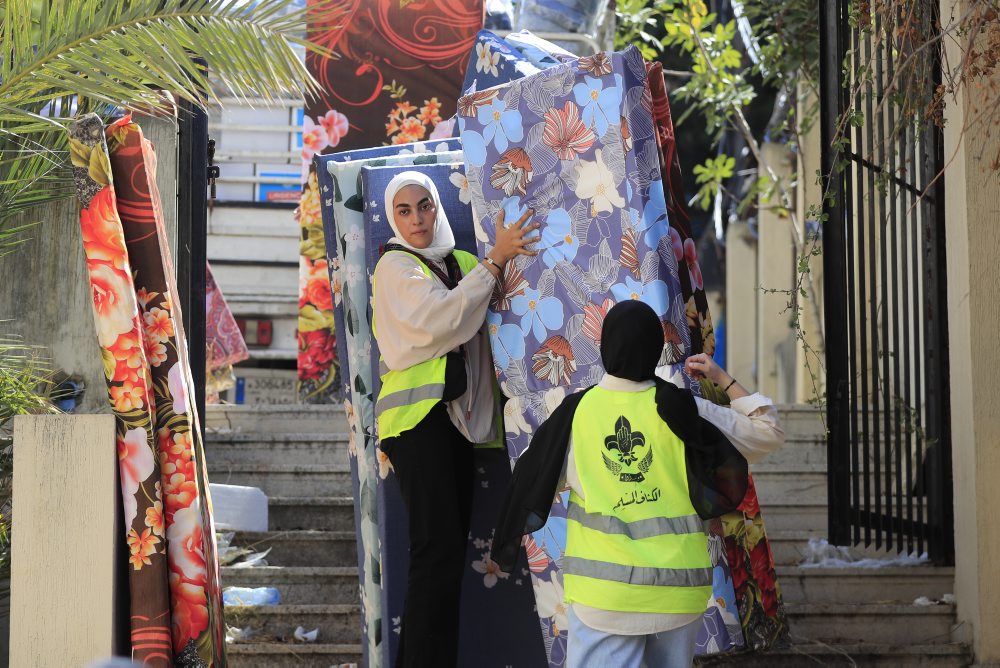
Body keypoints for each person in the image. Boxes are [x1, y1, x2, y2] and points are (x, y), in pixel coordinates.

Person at [493, 300, 785, 668]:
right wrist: (720, 378)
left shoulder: (577, 415)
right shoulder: (686, 410)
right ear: (654, 348)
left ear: (605, 348)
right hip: (679, 594)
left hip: (605, 597)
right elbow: (768, 432)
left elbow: (531, 486)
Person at [371, 170, 539, 667]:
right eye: (404, 211)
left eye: (424, 205)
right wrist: (496, 260)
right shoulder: (395, 268)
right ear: (392, 220)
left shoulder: (463, 261)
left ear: (438, 206)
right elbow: (442, 321)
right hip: (418, 425)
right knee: (435, 557)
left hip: (457, 428)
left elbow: (495, 310)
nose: (418, 219)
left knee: (444, 558)